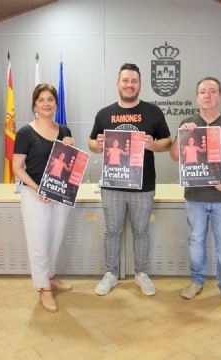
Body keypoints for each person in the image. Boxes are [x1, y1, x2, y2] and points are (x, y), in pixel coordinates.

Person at [88, 63, 172, 296]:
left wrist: (153, 145)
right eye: (125, 80)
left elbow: (168, 141)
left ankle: (141, 273)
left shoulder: (153, 112)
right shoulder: (104, 113)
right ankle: (111, 274)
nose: (129, 85)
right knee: (112, 231)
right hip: (113, 185)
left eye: (134, 81)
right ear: (118, 84)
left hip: (143, 185)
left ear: (140, 84)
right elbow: (91, 142)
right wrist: (98, 145)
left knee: (141, 231)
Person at [169, 77, 221, 309]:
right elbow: (175, 155)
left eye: (212, 91)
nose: (207, 95)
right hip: (194, 198)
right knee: (196, 241)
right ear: (197, 97)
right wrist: (180, 134)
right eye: (203, 91)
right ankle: (196, 281)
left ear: (220, 96)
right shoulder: (187, 123)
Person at [13, 83, 74, 313]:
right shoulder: (25, 133)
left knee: (55, 238)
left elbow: (69, 164)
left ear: (56, 104)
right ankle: (43, 289)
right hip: (34, 195)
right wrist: (37, 188)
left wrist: (71, 147)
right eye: (41, 100)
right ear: (35, 104)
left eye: (50, 99)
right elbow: (17, 167)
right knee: (38, 242)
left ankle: (51, 276)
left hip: (60, 194)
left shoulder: (65, 130)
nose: (46, 103)